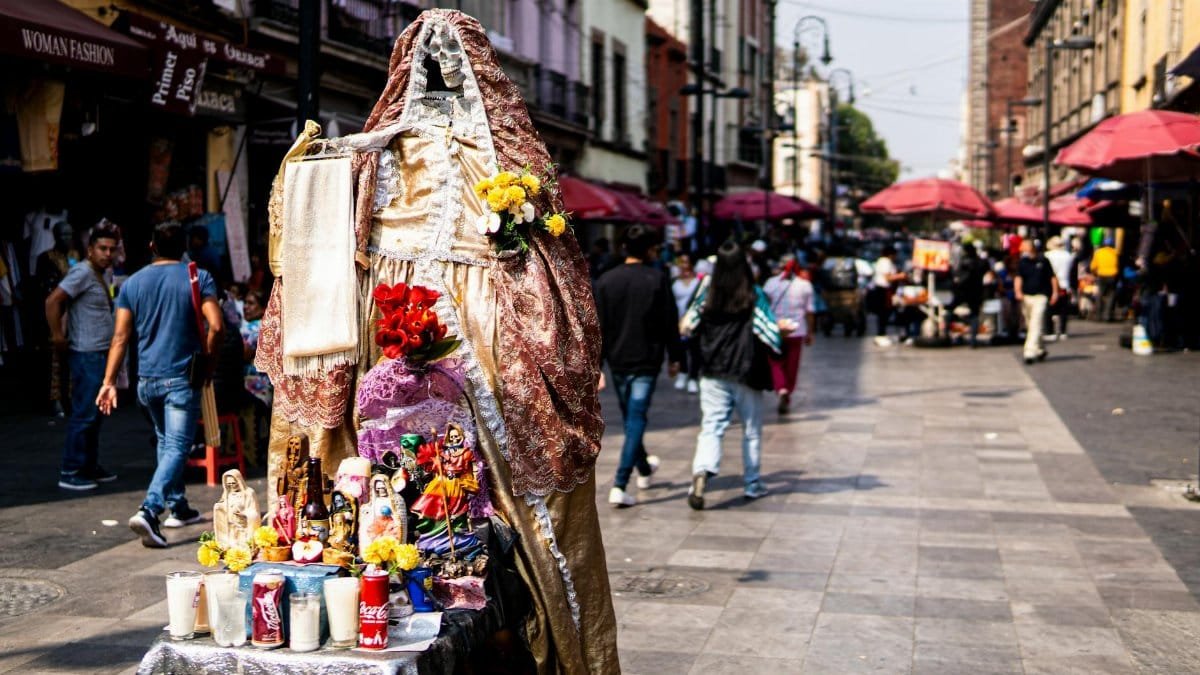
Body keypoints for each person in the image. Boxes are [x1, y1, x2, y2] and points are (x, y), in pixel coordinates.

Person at [97, 222, 223, 548]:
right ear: (184, 247)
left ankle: (179, 506)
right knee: (177, 447)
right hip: (181, 379)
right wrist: (208, 363)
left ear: (152, 246)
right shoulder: (197, 277)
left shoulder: (133, 283)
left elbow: (121, 337)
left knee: (167, 443)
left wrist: (109, 382)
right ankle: (151, 510)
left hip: (146, 382)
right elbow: (217, 326)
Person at [681, 241, 782, 510]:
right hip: (746, 371)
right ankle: (752, 483)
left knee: (712, 426)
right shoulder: (754, 294)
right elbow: (771, 335)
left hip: (712, 370)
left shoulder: (707, 292)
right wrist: (780, 335)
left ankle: (701, 472)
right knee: (751, 430)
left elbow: (686, 326)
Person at [594, 225, 682, 507]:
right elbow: (670, 322)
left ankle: (643, 467)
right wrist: (676, 356)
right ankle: (620, 483)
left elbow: (599, 327)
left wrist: (598, 365)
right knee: (636, 418)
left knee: (632, 417)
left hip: (618, 359)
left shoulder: (606, 281)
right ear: (648, 249)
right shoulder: (657, 279)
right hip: (646, 359)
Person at [46, 224, 121, 490]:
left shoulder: (99, 273)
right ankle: (71, 470)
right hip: (86, 353)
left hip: (98, 353)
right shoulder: (82, 272)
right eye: (102, 248)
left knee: (94, 414)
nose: (107, 253)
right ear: (90, 250)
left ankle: (88, 465)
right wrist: (57, 336)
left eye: (111, 249)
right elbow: (53, 301)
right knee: (85, 414)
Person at [763, 257, 815, 414]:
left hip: (775, 329)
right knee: (792, 365)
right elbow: (810, 311)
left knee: (775, 362)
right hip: (796, 330)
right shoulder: (805, 285)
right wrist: (810, 332)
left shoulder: (770, 283)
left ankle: (781, 389)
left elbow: (764, 306)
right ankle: (788, 391)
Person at [1014, 240, 1059, 365]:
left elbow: (1052, 277)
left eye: (1024, 246)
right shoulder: (1022, 262)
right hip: (1027, 296)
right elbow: (1019, 277)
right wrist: (1018, 291)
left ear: (1031, 248)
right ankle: (1040, 349)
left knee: (1036, 322)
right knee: (1031, 325)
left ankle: (1029, 352)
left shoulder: (1043, 260)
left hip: (1041, 296)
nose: (1022, 249)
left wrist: (1055, 292)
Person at [671, 253, 702, 393]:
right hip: (678, 320)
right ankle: (683, 373)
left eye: (686, 262)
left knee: (695, 349)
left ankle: (693, 377)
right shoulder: (674, 282)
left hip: (694, 321)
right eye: (681, 262)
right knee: (681, 349)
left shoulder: (698, 282)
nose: (684, 266)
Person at [949, 245, 987, 347]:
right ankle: (972, 339)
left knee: (949, 311)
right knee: (974, 315)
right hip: (976, 292)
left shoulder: (964, 263)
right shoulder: (980, 262)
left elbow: (957, 275)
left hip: (964, 292)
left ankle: (948, 332)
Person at [868, 245, 906, 345]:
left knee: (886, 312)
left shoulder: (883, 261)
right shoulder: (885, 262)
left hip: (885, 290)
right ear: (891, 254)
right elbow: (887, 278)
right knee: (883, 313)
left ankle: (882, 334)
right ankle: (881, 335)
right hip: (883, 290)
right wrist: (901, 276)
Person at [1044, 236, 1073, 340]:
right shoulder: (1068, 256)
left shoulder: (1047, 255)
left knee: (1049, 309)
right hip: (1065, 283)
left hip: (1050, 285)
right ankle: (1063, 331)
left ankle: (1050, 331)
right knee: (1063, 310)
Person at [1091, 238, 1120, 322]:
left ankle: (1098, 315)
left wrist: (1094, 273)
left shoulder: (1098, 252)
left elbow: (1093, 266)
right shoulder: (1115, 252)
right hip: (1113, 275)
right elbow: (1118, 264)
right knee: (1111, 295)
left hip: (1102, 275)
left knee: (1100, 294)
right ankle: (1107, 315)